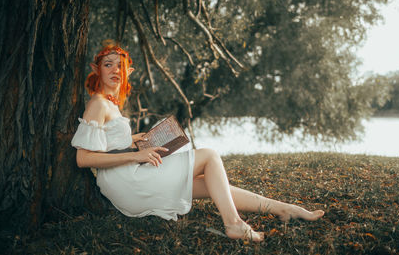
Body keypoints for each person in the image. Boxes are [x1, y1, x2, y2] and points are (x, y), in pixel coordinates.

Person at [71, 40, 324, 242]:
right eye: (108, 64)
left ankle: (281, 208)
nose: (116, 70)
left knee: (210, 185)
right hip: (125, 181)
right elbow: (83, 159)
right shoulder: (97, 103)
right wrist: (136, 155)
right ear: (97, 69)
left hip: (128, 176)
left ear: (129, 72)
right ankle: (234, 224)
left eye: (120, 66)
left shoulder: (111, 106)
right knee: (209, 155)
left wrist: (139, 140)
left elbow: (110, 143)